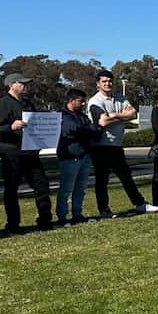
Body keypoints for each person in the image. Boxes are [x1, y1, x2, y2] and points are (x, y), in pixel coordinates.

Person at [88, 69, 158, 216]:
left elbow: (133, 113)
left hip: (117, 146)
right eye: (104, 81)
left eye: (109, 81)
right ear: (98, 84)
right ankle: (104, 210)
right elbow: (103, 121)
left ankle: (140, 204)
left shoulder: (120, 98)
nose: (108, 84)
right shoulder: (95, 101)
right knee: (102, 181)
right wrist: (123, 117)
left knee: (126, 177)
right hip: (101, 146)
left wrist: (115, 115)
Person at [0, 74, 53, 233]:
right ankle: (13, 224)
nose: (25, 86)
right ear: (12, 85)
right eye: (22, 83)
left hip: (30, 152)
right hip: (12, 153)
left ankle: (45, 220)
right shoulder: (2, 104)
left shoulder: (28, 104)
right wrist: (11, 127)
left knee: (42, 186)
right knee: (12, 189)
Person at [56, 87, 101, 224]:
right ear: (72, 100)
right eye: (80, 101)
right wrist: (90, 129)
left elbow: (93, 131)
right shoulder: (62, 116)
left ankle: (77, 214)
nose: (83, 104)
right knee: (66, 189)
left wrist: (92, 129)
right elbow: (74, 129)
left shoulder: (82, 116)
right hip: (70, 157)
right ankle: (62, 217)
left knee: (80, 189)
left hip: (85, 156)